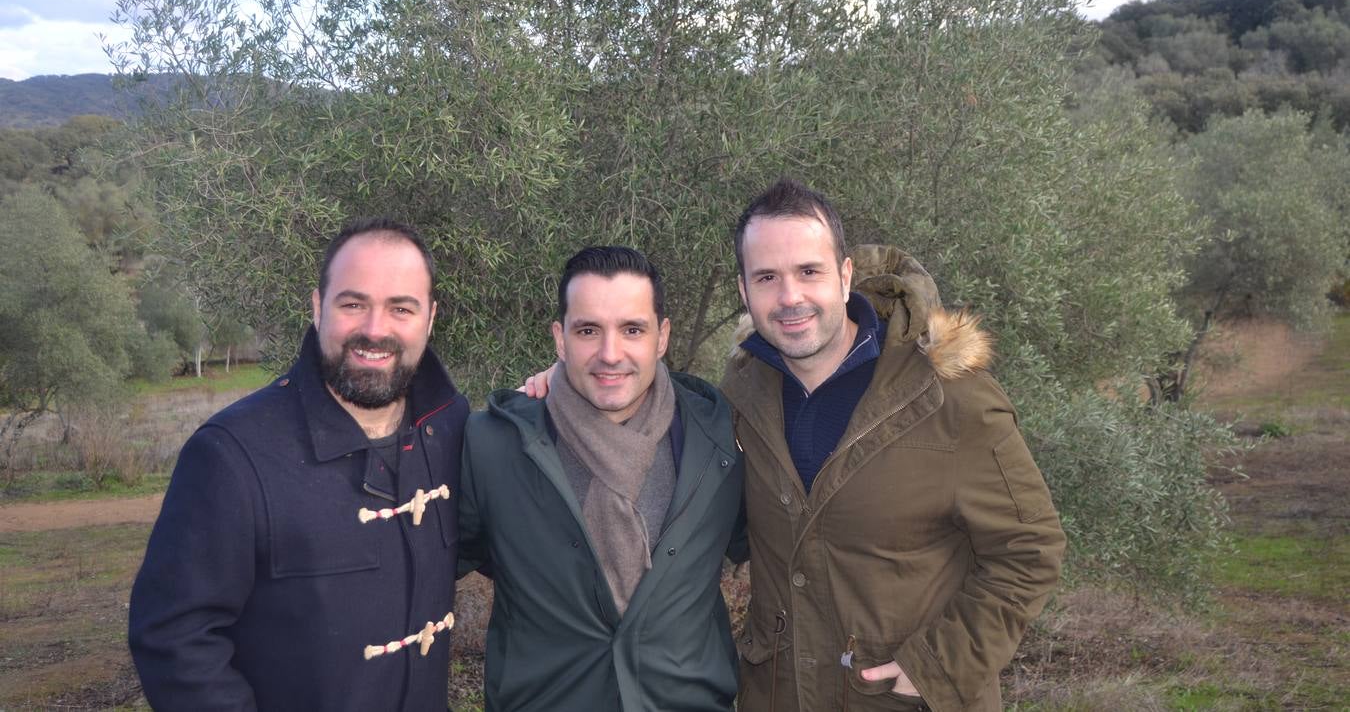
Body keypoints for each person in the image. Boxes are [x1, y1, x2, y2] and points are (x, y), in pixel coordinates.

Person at [722, 179, 1066, 712]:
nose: (790, 297)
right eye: (767, 277)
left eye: (808, 272)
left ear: (844, 277)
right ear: (744, 292)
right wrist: (567, 386)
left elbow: (1031, 549)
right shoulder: (742, 394)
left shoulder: (950, 397)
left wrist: (939, 666)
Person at [129, 219, 471, 711]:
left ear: (431, 318)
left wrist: (555, 387)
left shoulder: (452, 426)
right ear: (317, 307)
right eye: (353, 304)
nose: (375, 330)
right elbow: (175, 638)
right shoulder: (232, 453)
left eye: (401, 308)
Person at [458, 246, 747, 712]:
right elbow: (423, 575)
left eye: (632, 329)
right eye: (588, 330)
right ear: (560, 338)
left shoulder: (718, 439)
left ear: (662, 336)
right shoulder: (492, 446)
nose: (610, 354)